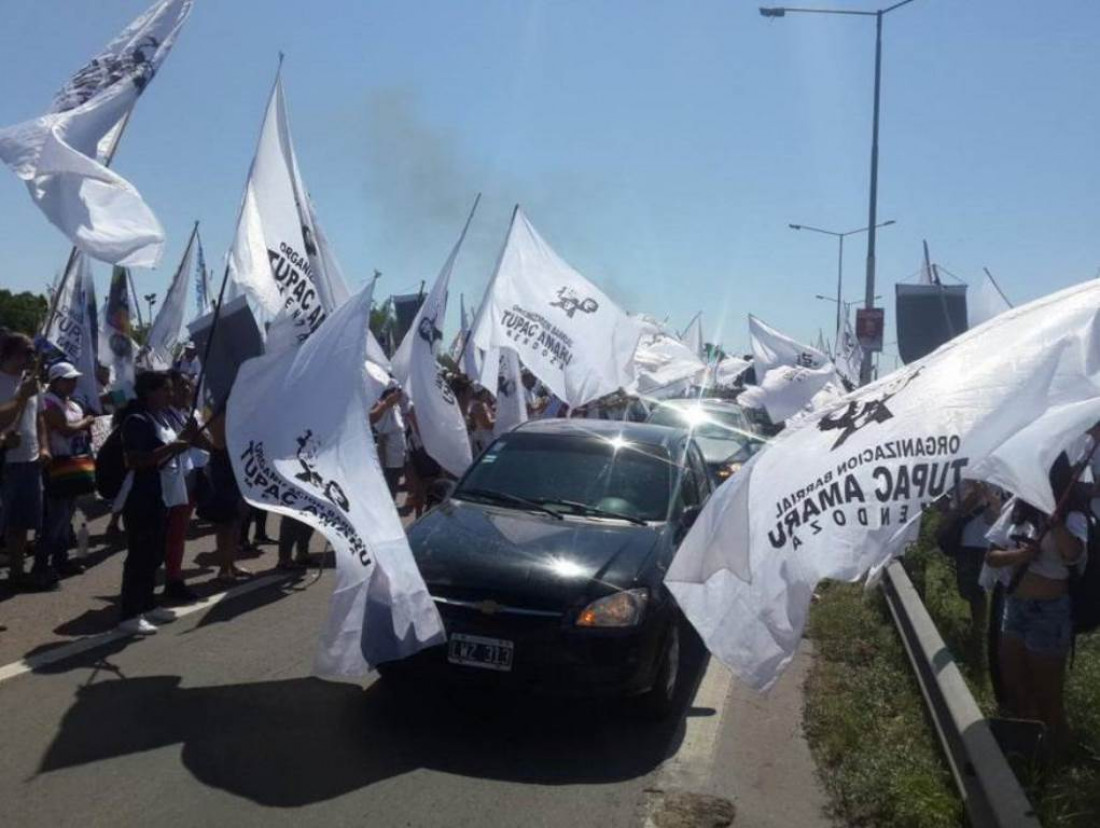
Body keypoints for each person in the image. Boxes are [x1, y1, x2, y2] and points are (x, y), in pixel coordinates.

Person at [984, 464, 1089, 756]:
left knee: (1048, 697)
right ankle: (1031, 754)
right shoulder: (1016, 509)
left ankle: (1061, 756)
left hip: (1049, 612)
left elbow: (1074, 555)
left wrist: (1054, 521)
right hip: (1015, 607)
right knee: (1016, 687)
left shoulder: (1073, 516)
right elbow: (992, 557)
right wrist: (1019, 555)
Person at [116, 371, 197, 634]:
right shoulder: (136, 420)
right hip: (141, 495)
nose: (171, 394)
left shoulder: (159, 416)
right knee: (140, 554)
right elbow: (136, 460)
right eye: (166, 390)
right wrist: (171, 449)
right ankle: (130, 613)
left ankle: (148, 604)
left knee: (154, 553)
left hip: (161, 494)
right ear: (150, 392)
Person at [0, 333, 50, 590]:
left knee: (20, 522)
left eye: (33, 352)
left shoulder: (32, 382)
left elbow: (40, 417)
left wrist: (43, 446)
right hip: (5, 463)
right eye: (26, 352)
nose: (32, 357)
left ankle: (17, 572)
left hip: (29, 461)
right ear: (7, 353)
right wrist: (20, 397)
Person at [39, 362, 96, 581]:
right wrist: (86, 422)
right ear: (55, 381)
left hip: (74, 462)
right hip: (57, 464)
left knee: (66, 516)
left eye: (74, 379)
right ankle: (42, 563)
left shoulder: (72, 404)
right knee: (55, 517)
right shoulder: (48, 403)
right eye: (67, 379)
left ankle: (61, 561)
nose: (72, 383)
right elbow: (65, 429)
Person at [371, 383, 406, 498]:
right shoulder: (382, 407)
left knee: (393, 489)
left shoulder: (396, 407)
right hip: (388, 460)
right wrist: (386, 404)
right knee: (387, 492)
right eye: (396, 392)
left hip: (398, 458)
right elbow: (380, 431)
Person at [468, 386, 495, 456]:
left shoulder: (481, 404)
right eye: (486, 391)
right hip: (484, 440)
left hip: (486, 438)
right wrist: (501, 420)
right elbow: (487, 424)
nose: (487, 394)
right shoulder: (477, 406)